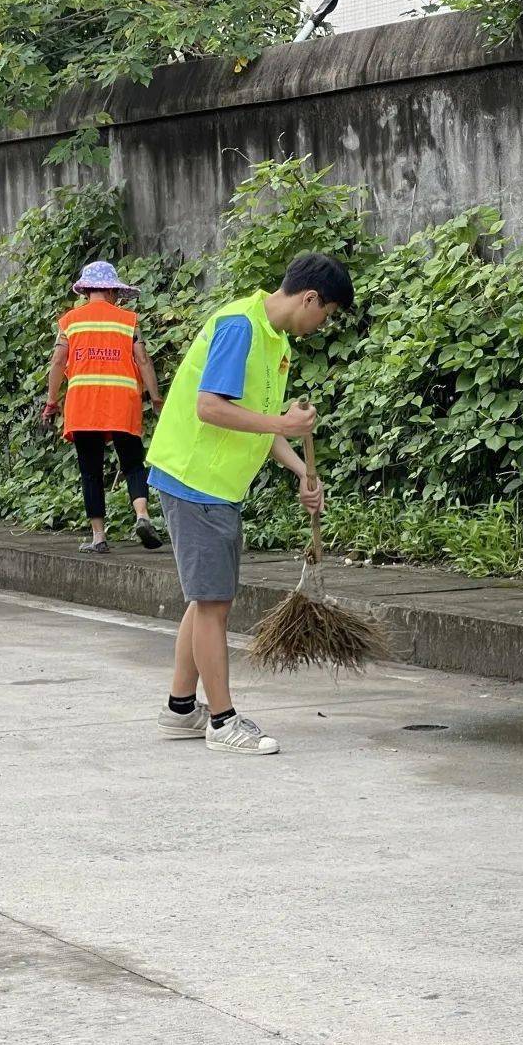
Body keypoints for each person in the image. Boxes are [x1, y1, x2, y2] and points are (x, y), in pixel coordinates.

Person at [147, 252, 353, 755]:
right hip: (194, 479)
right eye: (323, 315)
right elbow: (210, 407)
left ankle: (180, 708)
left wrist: (301, 467)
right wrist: (283, 425)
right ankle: (222, 721)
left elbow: (258, 420)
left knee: (206, 599)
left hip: (215, 485)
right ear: (309, 298)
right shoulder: (241, 326)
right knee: (213, 603)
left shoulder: (275, 339)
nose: (319, 326)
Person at [42, 261, 163, 552]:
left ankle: (98, 537)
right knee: (133, 463)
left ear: (87, 291)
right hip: (122, 402)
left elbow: (58, 362)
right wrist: (156, 399)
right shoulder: (127, 320)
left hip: (83, 405)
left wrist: (51, 402)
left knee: (91, 471)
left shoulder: (69, 321)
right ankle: (143, 515)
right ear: (110, 290)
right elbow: (143, 360)